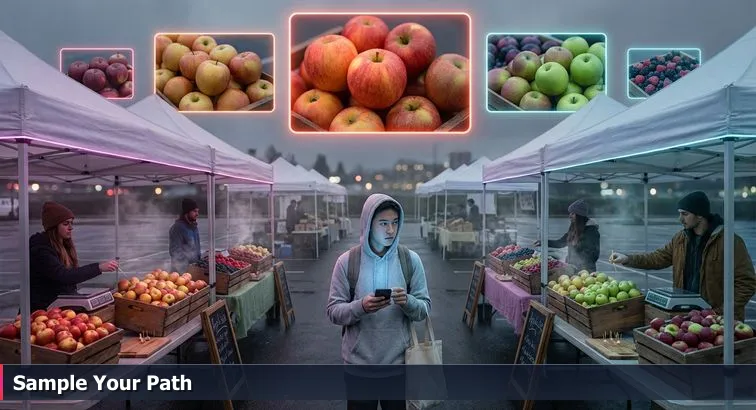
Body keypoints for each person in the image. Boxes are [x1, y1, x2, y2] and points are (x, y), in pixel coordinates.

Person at [327, 193, 431, 410]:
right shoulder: (347, 262)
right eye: (383, 223)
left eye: (395, 223)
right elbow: (334, 311)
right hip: (358, 368)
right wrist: (361, 307)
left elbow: (424, 309)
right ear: (367, 224)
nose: (390, 230)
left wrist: (408, 302)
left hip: (400, 367)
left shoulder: (410, 260)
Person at [610, 191, 756, 320]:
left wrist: (719, 313)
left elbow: (747, 283)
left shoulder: (729, 241)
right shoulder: (680, 239)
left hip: (718, 321)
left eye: (685, 214)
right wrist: (628, 259)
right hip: (686, 315)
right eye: (680, 213)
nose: (680, 219)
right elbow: (657, 258)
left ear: (700, 215)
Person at [29, 202, 118, 311]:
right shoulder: (40, 249)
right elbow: (64, 276)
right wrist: (98, 267)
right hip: (41, 311)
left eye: (71, 223)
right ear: (53, 227)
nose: (71, 228)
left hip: (61, 306)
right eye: (66, 224)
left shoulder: (64, 245)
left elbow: (71, 276)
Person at [534, 199, 600, 271]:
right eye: (570, 213)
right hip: (571, 267)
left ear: (580, 216)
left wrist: (580, 266)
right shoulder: (574, 227)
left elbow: (593, 255)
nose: (570, 216)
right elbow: (561, 242)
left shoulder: (591, 231)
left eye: (573, 213)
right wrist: (543, 242)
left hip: (586, 271)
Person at [169, 198, 201, 273]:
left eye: (198, 211)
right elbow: (175, 251)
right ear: (187, 212)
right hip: (181, 272)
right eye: (194, 211)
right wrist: (187, 267)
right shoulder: (178, 228)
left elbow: (195, 248)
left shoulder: (193, 226)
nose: (197, 214)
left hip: (194, 268)